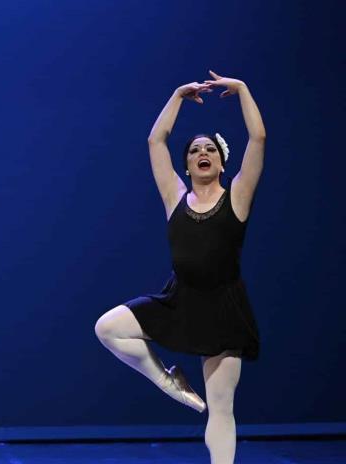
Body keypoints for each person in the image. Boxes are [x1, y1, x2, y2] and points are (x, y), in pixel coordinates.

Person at [95, 70, 265, 464]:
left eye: (210, 149)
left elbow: (258, 139)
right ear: (187, 166)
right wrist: (176, 95)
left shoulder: (237, 196)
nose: (202, 153)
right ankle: (171, 383)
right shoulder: (175, 196)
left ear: (222, 163)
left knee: (221, 408)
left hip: (223, 307)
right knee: (107, 328)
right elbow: (156, 141)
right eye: (194, 150)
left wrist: (242, 89)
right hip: (180, 299)